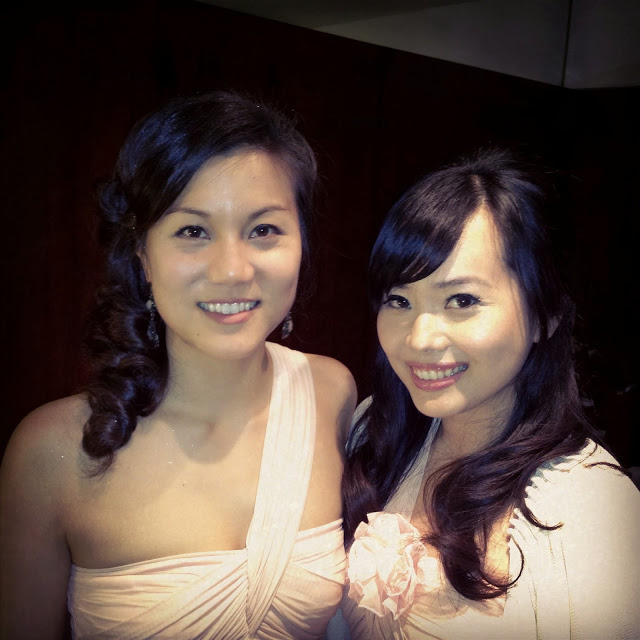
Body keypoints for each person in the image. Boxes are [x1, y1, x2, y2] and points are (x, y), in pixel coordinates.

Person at [0, 90, 356, 639]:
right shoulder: (51, 453)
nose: (233, 270)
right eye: (193, 231)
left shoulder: (332, 392)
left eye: (263, 229)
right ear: (142, 254)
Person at [339, 149, 640, 639]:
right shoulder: (372, 431)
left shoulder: (594, 508)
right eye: (399, 299)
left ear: (545, 315)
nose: (419, 339)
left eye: (461, 300)